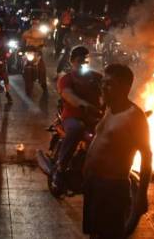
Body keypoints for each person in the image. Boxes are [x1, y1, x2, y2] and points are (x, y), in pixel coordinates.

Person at [83, 64, 152, 239]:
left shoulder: (134, 116)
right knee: (94, 233)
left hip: (112, 188)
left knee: (110, 234)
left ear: (125, 88)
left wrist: (141, 196)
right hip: (95, 184)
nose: (103, 88)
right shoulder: (110, 108)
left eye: (109, 84)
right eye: (103, 83)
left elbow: (147, 156)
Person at [51, 46, 102, 195]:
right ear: (72, 61)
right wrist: (84, 105)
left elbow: (109, 91)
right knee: (76, 128)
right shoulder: (67, 79)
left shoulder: (97, 77)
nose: (83, 64)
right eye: (79, 61)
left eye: (86, 60)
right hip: (73, 117)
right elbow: (68, 95)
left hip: (95, 118)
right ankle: (60, 169)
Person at [21, 15, 48, 92]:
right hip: (28, 52)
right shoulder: (26, 33)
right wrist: (21, 47)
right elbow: (22, 41)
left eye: (36, 23)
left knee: (42, 68)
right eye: (33, 23)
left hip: (37, 52)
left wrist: (43, 44)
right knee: (20, 58)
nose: (35, 25)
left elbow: (45, 41)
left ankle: (43, 83)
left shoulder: (42, 33)